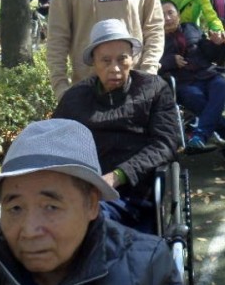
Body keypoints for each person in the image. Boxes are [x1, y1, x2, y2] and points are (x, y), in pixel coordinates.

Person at [0, 119, 190, 285]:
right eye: (15, 208)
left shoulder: (145, 267)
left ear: (92, 204)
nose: (30, 230)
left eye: (51, 207)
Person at [53, 19, 180, 232]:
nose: (115, 68)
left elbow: (165, 144)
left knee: (95, 219)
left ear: (132, 58)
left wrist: (118, 176)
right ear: (93, 62)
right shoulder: (75, 98)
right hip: (87, 191)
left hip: (138, 192)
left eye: (122, 59)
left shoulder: (155, 90)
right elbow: (53, 142)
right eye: (106, 60)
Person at [159, 0, 225, 151]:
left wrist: (217, 45)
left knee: (221, 84)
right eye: (162, 15)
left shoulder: (191, 29)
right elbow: (151, 63)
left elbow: (214, 57)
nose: (167, 18)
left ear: (178, 16)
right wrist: (170, 61)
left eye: (170, 13)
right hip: (183, 81)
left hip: (207, 74)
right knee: (194, 96)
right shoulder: (154, 39)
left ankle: (200, 136)